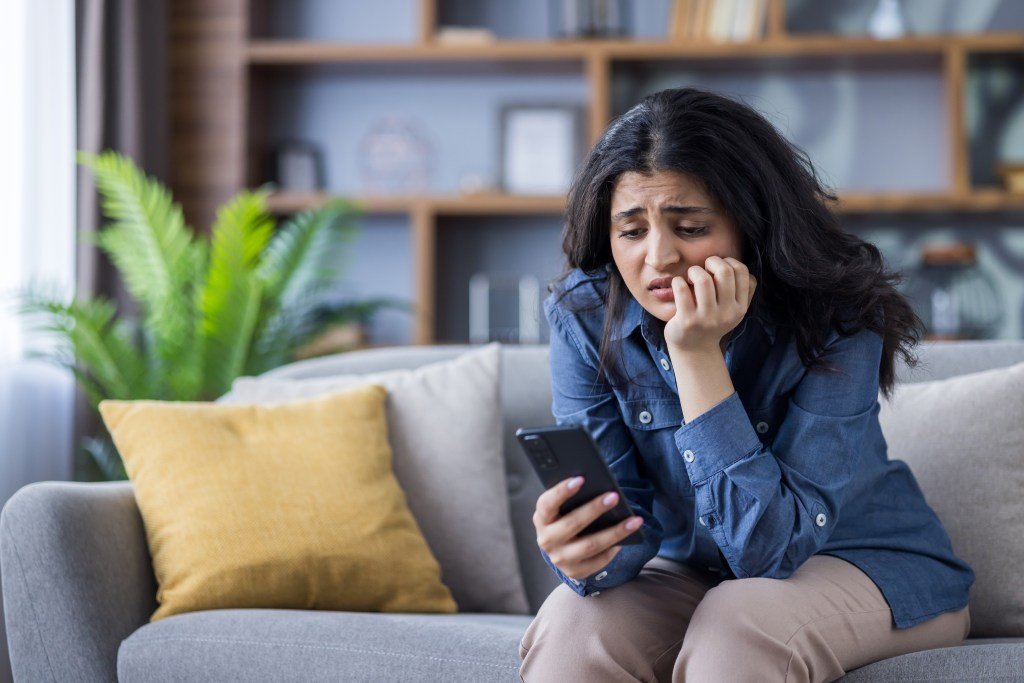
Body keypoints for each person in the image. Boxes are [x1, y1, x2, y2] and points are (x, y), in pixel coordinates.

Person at [518, 87, 974, 682]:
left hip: (866, 565)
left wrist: (696, 354)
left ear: (750, 226)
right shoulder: (585, 316)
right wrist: (585, 552)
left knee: (740, 620)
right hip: (695, 574)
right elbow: (627, 532)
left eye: (690, 226)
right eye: (631, 232)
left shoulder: (839, 318)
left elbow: (769, 550)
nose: (659, 258)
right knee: (573, 626)